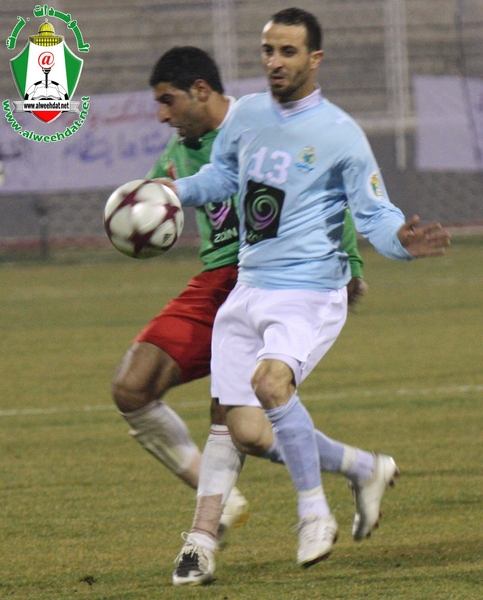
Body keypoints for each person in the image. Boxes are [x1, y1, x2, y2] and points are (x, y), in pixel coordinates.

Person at [165, 8, 451, 585]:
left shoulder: (340, 133)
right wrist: (171, 193)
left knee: (272, 384)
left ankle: (311, 514)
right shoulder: (246, 115)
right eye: (268, 50)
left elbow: (375, 213)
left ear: (314, 59)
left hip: (310, 290)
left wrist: (398, 242)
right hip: (249, 286)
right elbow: (222, 177)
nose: (275, 62)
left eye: (288, 52)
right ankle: (362, 469)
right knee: (241, 429)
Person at [110, 46, 367, 545]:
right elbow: (160, 204)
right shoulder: (178, 154)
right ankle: (351, 468)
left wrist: (350, 266)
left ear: (200, 90)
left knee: (239, 422)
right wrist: (143, 219)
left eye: (167, 101)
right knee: (132, 388)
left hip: (271, 277)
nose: (161, 116)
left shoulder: (262, 128)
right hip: (215, 282)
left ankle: (209, 535)